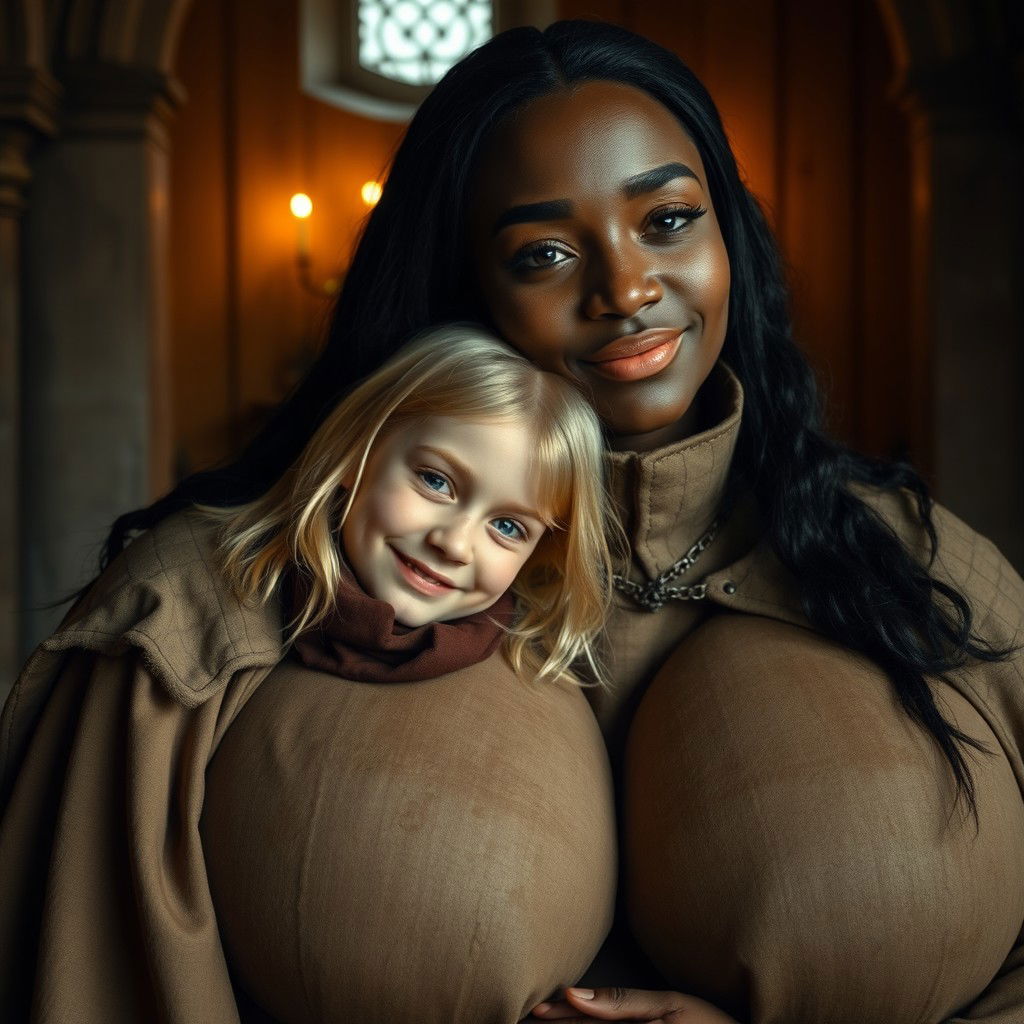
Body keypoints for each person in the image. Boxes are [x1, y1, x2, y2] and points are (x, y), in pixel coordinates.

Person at [2, 18, 1023, 1024]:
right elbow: (87, 974)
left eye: (666, 220)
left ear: (730, 240)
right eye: (541, 252)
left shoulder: (919, 569)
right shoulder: (194, 608)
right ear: (460, 278)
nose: (625, 290)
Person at [196, 323, 617, 690]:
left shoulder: (531, 675)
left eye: (508, 527)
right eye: (436, 482)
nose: (454, 545)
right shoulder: (212, 597)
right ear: (355, 451)